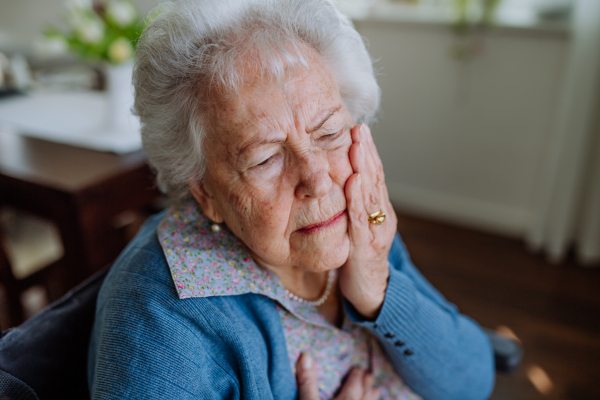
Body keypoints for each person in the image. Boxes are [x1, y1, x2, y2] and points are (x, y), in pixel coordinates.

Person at [87, 0, 495, 398]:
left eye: (330, 133)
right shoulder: (158, 323)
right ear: (204, 191)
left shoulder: (359, 217)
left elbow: (472, 381)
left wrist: (378, 289)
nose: (318, 179)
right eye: (264, 158)